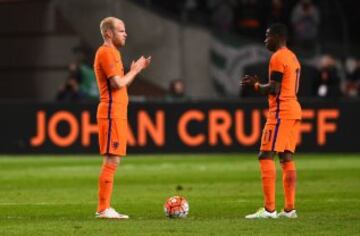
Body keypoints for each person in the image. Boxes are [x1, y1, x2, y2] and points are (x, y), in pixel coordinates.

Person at [240, 23, 301, 219]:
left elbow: (273, 88)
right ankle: (290, 209)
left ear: (277, 36)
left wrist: (256, 85)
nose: (265, 40)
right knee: (286, 158)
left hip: (281, 111)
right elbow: (294, 88)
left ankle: (269, 210)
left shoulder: (278, 57)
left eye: (267, 36)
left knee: (265, 155)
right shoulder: (293, 57)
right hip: (293, 109)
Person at [93, 16, 151, 219]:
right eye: (121, 30)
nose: (125, 33)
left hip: (116, 112)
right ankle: (103, 208)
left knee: (113, 159)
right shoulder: (106, 52)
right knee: (112, 159)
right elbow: (118, 84)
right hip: (110, 113)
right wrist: (135, 70)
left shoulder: (114, 53)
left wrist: (134, 71)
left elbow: (120, 86)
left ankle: (104, 207)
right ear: (108, 33)